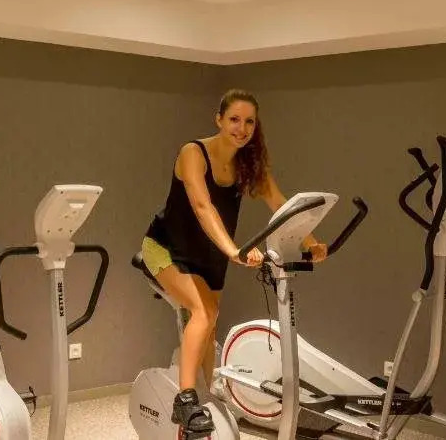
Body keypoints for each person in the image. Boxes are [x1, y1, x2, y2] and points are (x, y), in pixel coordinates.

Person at [140, 88, 328, 434]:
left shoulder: (248, 164)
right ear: (219, 120)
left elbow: (280, 203)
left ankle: (205, 395)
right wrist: (232, 249)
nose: (242, 129)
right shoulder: (193, 153)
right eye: (234, 120)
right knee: (203, 312)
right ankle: (185, 401)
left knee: (210, 324)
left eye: (249, 122)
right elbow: (202, 206)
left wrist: (310, 240)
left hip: (210, 252)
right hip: (166, 247)